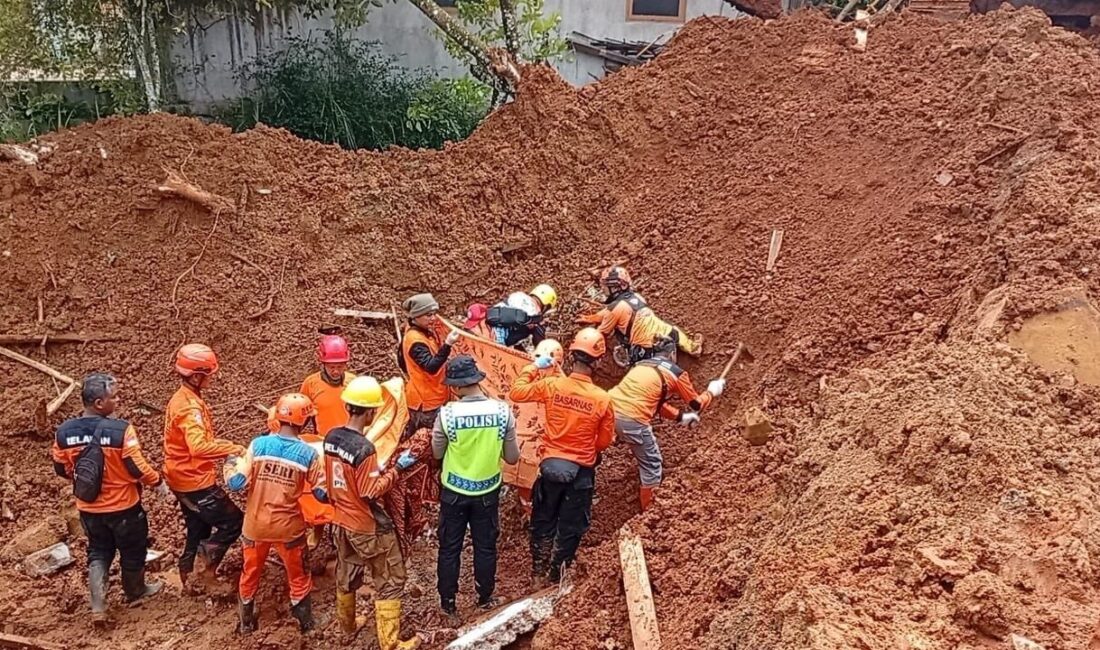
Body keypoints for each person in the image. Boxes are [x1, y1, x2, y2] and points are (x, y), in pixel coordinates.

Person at [52, 373, 166, 626]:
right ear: (99, 404)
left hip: (89, 508)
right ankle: (135, 590)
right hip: (124, 507)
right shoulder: (120, 430)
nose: (118, 401)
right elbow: (137, 467)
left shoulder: (64, 432)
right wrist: (158, 482)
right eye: (113, 397)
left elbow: (60, 468)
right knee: (132, 550)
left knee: (98, 552)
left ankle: (98, 606)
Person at [508, 328, 615, 585]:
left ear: (570, 357)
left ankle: (538, 570)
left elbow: (517, 392)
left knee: (543, 518)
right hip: (581, 471)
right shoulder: (602, 399)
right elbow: (605, 441)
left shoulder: (552, 385)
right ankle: (558, 573)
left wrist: (534, 366)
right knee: (571, 524)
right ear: (598, 361)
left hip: (550, 466)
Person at [324, 376, 422, 649]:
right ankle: (391, 644)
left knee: (347, 573)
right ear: (370, 412)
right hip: (365, 523)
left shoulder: (332, 437)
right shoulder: (364, 449)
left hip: (340, 520)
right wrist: (397, 469)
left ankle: (347, 626)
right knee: (392, 579)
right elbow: (370, 490)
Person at [227, 393, 325, 634]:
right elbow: (322, 493)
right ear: (304, 422)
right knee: (299, 575)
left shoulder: (258, 445)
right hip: (288, 528)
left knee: (250, 573)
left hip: (254, 526)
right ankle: (306, 624)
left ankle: (246, 623)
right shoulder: (309, 454)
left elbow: (237, 482)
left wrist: (229, 464)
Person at [432, 355, 519, 619]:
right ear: (477, 381)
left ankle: (448, 603)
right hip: (487, 492)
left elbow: (437, 453)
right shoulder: (503, 412)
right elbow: (512, 457)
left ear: (457, 387)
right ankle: (485, 597)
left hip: (454, 492)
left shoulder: (446, 414)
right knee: (485, 546)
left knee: (449, 548)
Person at [163, 343, 245, 594]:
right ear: (197, 375)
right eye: (208, 374)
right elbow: (198, 446)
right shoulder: (189, 408)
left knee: (198, 528)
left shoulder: (182, 398)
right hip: (195, 480)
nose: (211, 379)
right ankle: (204, 573)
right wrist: (232, 448)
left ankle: (187, 574)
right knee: (233, 522)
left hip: (179, 476)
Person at [609, 336, 725, 510]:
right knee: (652, 465)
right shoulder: (676, 373)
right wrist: (711, 391)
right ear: (672, 354)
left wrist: (680, 417)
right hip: (632, 418)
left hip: (609, 411)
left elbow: (654, 402)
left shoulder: (642, 365)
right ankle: (649, 514)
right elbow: (696, 404)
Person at [576, 265, 703, 365]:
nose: (602, 289)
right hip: (666, 337)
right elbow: (607, 312)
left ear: (614, 288)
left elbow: (600, 334)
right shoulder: (637, 297)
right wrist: (589, 318)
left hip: (646, 352)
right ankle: (692, 347)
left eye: (605, 286)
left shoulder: (614, 309)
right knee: (670, 327)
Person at [400, 293, 460, 440]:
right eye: (428, 315)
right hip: (425, 403)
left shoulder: (425, 333)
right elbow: (431, 367)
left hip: (432, 396)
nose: (433, 318)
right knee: (426, 444)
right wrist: (448, 345)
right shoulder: (415, 340)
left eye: (434, 314)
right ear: (416, 316)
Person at [300, 333, 355, 438]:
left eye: (340, 366)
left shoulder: (353, 382)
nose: (336, 371)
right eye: (331, 367)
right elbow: (302, 415)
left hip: (349, 441)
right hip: (323, 440)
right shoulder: (311, 383)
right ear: (323, 364)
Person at [485, 284, 557, 350]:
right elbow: (539, 342)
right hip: (499, 335)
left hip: (488, 322)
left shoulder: (518, 295)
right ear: (546, 306)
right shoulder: (535, 313)